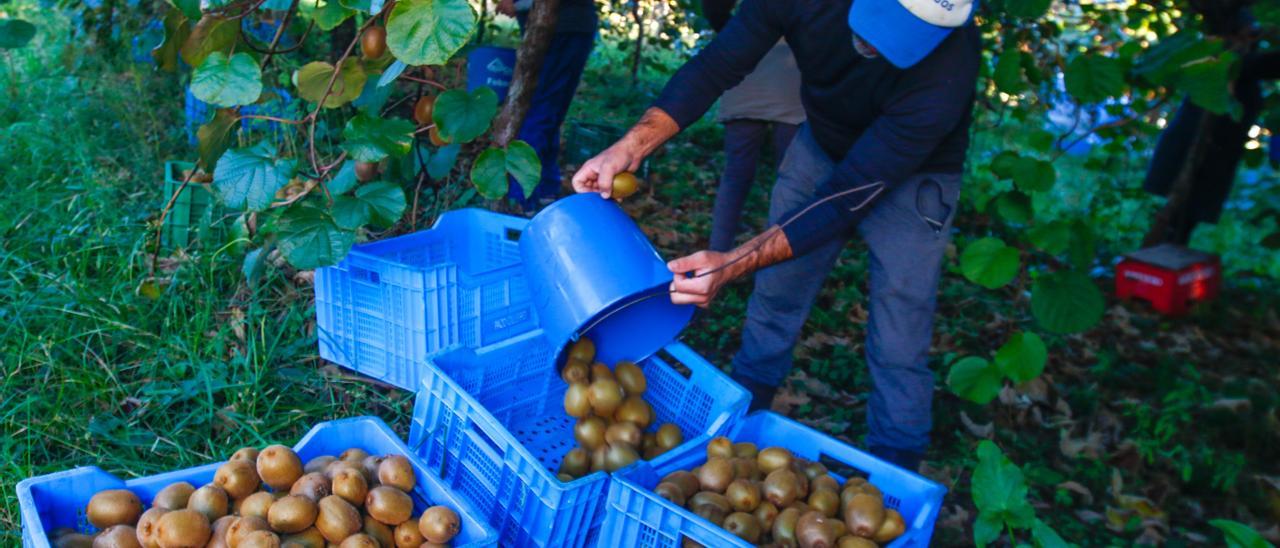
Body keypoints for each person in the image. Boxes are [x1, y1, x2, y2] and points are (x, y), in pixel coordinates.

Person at [572, 0, 981, 470]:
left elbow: (848, 194)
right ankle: (746, 413)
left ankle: (897, 465)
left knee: (900, 333)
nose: (879, 42)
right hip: (822, 144)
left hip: (915, 178)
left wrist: (734, 261)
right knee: (777, 293)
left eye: (907, 33)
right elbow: (718, 64)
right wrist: (631, 145)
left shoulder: (949, 66)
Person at [702, 0, 804, 252]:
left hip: (749, 65)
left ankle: (716, 256)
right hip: (791, 76)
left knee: (736, 175)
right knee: (790, 179)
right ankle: (779, 261)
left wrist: (732, 33)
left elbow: (715, 8)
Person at [497, 0, 597, 210]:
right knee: (549, 109)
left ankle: (523, 197)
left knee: (538, 110)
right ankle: (544, 189)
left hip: (559, 26)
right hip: (570, 25)